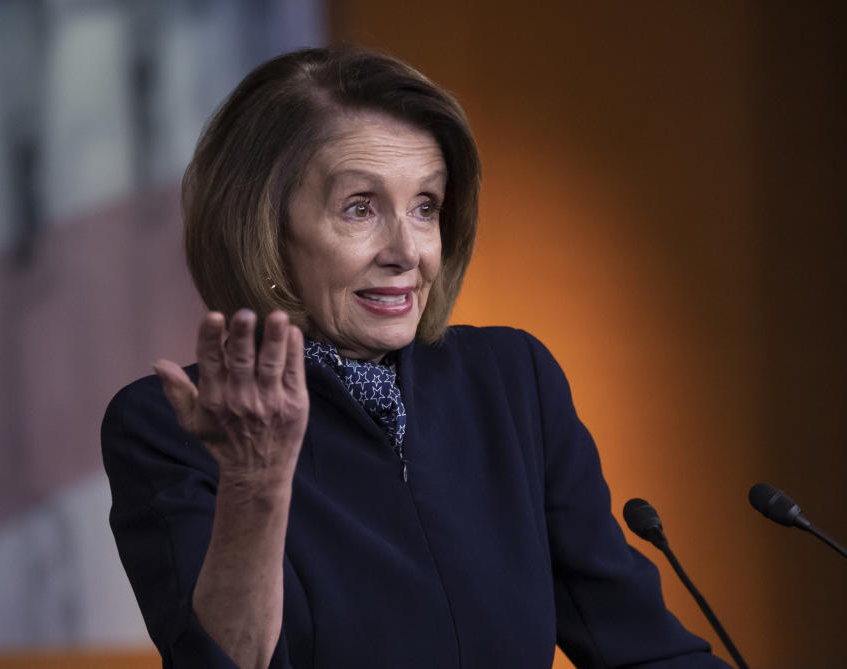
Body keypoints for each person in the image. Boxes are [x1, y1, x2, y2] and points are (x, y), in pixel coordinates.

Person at [101, 47, 732, 669]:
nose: (407, 251)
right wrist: (255, 486)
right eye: (360, 208)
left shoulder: (512, 381)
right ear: (263, 229)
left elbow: (643, 648)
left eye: (425, 206)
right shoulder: (169, 424)